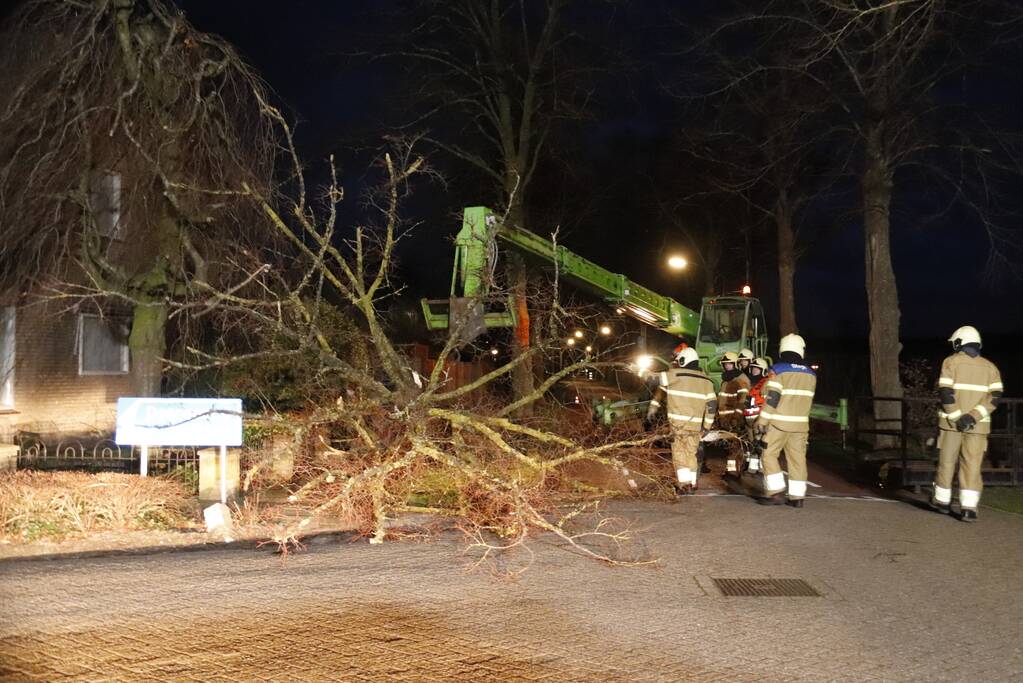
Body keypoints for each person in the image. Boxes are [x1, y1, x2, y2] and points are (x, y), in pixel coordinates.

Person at [931, 326, 1003, 522]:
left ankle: (942, 502)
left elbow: (946, 392)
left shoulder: (950, 362)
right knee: (972, 464)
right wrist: (972, 417)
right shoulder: (991, 368)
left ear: (959, 342)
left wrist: (956, 417)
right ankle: (969, 508)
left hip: (950, 424)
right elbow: (995, 397)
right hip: (978, 427)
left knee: (947, 461)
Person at [753, 334, 816, 507]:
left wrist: (762, 421)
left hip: (778, 424)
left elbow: (772, 397)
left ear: (783, 348)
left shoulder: (778, 370)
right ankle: (797, 498)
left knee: (769, 455)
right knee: (797, 459)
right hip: (801, 426)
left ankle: (776, 493)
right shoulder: (811, 374)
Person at [647, 346, 717, 494]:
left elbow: (653, 378)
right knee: (691, 454)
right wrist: (707, 427)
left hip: (679, 425)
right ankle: (692, 483)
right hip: (696, 426)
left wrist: (637, 370)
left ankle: (684, 485)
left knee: (679, 454)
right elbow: (712, 405)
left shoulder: (675, 375)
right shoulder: (707, 381)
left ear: (684, 360)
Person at [717, 352, 751, 475]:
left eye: (729, 364)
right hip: (726, 419)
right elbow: (722, 399)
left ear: (735, 364)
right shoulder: (726, 379)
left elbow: (742, 401)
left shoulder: (741, 380)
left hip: (735, 420)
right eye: (725, 364)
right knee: (730, 447)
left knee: (735, 447)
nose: (727, 366)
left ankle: (733, 472)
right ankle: (731, 470)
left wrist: (736, 418)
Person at [743, 358, 770, 473]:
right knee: (752, 442)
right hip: (749, 417)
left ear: (763, 370)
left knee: (760, 442)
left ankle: (763, 466)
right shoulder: (749, 382)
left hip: (760, 418)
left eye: (757, 369)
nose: (754, 371)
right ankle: (753, 467)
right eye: (753, 368)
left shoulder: (767, 383)